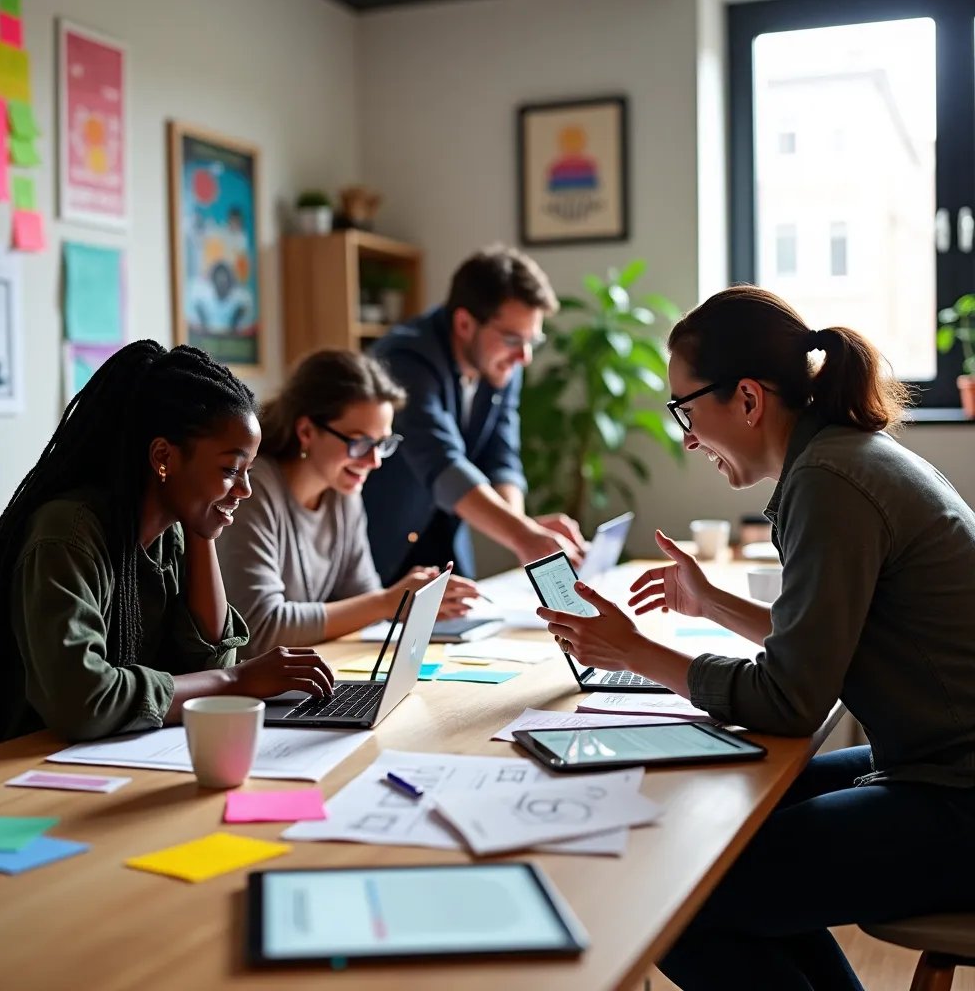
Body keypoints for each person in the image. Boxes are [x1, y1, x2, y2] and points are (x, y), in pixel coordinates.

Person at [536, 285, 975, 990]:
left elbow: (791, 700)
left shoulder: (831, 480)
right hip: (936, 764)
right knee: (727, 831)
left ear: (746, 398)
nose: (683, 435)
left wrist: (635, 652)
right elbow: (830, 638)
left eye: (685, 408)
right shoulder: (843, 458)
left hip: (957, 793)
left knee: (680, 894)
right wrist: (713, 604)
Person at [0, 341, 334, 758]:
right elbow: (84, 703)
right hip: (16, 770)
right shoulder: (68, 534)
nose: (244, 490)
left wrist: (203, 532)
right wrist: (235, 682)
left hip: (99, 761)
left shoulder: (172, 534)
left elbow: (210, 668)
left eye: (247, 471)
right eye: (229, 470)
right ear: (163, 457)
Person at [217, 349, 480, 658]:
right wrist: (388, 602)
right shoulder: (253, 489)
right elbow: (258, 630)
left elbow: (363, 600)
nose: (375, 461)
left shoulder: (343, 494)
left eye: (382, 444)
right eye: (360, 443)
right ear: (306, 432)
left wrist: (410, 599)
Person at [363, 244, 587, 583]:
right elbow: (442, 463)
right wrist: (523, 535)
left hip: (445, 540)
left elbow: (501, 457)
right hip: (383, 548)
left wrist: (523, 529)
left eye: (532, 341)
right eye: (513, 339)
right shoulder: (405, 359)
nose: (524, 357)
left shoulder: (501, 362)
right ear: (465, 323)